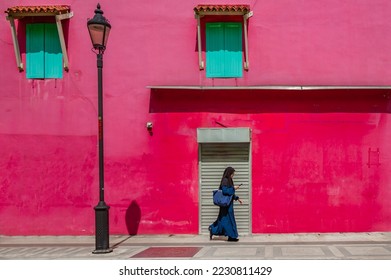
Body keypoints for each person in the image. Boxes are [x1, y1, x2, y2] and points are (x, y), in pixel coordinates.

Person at [209, 166, 242, 242]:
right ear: (229, 173)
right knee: (226, 220)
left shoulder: (229, 180)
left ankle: (213, 229)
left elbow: (230, 194)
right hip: (225, 205)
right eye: (232, 174)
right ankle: (231, 236)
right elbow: (225, 191)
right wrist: (234, 188)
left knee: (224, 220)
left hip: (228, 204)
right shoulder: (225, 180)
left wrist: (237, 198)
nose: (233, 175)